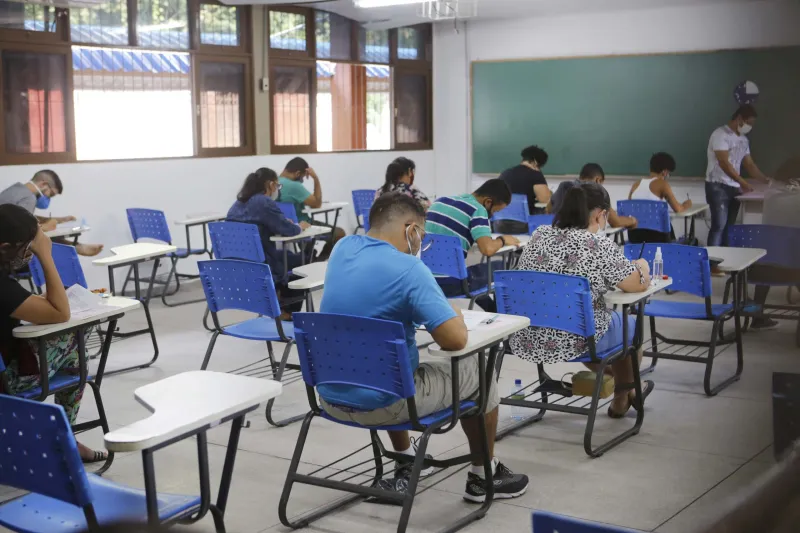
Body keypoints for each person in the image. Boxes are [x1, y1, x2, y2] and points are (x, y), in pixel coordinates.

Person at [319, 192, 529, 503]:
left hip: (330, 396)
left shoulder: (342, 249)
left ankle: (405, 462)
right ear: (411, 229)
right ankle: (483, 476)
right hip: (386, 404)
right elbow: (455, 340)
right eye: (422, 233)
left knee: (393, 363)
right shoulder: (409, 269)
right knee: (479, 370)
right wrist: (452, 310)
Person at [511, 183, 654, 418]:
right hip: (577, 339)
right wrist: (643, 266)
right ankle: (623, 397)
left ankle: (623, 388)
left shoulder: (539, 235)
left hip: (529, 336)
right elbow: (636, 284)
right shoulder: (599, 245)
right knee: (629, 327)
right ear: (599, 214)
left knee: (598, 323)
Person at [0, 204, 107, 463]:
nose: (28, 255)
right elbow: (61, 313)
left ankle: (65, 439)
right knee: (76, 339)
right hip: (7, 384)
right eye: (27, 249)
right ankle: (66, 440)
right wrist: (45, 255)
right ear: (4, 247)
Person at [227, 168, 311, 320]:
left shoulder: (237, 204)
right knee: (301, 261)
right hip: (263, 263)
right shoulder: (263, 201)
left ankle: (279, 300)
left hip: (238, 264)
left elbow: (257, 226)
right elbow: (289, 230)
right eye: (278, 186)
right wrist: (299, 226)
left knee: (289, 257)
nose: (277, 190)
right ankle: (288, 311)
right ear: (270, 184)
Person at [426, 179, 521, 312]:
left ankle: (493, 311)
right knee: (504, 267)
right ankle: (509, 317)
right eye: (495, 211)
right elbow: (487, 249)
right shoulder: (478, 209)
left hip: (425, 279)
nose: (492, 215)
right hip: (453, 283)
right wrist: (503, 240)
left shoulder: (439, 202)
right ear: (488, 202)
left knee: (478, 275)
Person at [705, 105, 770, 250]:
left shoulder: (743, 140)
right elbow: (724, 163)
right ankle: (712, 263)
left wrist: (767, 180)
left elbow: (750, 165)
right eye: (749, 123)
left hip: (734, 188)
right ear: (739, 119)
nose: (750, 126)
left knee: (730, 228)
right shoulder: (720, 135)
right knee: (719, 226)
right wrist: (742, 182)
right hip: (717, 186)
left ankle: (726, 261)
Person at [0, 170, 103, 257]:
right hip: (7, 251)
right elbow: (24, 231)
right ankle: (76, 247)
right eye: (51, 194)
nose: (48, 199)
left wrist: (59, 220)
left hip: (5, 241)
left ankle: (76, 247)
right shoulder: (29, 198)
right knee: (42, 239)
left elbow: (21, 217)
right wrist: (47, 226)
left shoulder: (16, 189)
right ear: (43, 184)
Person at [278, 157, 345, 260]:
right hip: (302, 224)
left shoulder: (275, 183)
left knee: (310, 249)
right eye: (303, 177)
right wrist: (316, 178)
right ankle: (320, 261)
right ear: (297, 173)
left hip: (283, 225)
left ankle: (310, 258)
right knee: (339, 233)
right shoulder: (294, 186)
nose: (302, 181)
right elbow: (317, 204)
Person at [548, 163, 638, 231]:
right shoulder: (596, 193)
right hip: (583, 241)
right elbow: (615, 222)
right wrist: (632, 220)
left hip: (556, 234)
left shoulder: (563, 186)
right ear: (597, 180)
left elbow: (548, 209)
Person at [626, 152, 691, 243]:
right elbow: (678, 209)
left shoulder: (636, 185)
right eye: (668, 173)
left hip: (635, 235)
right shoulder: (662, 184)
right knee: (667, 224)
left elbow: (629, 209)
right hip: (657, 236)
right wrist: (686, 204)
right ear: (664, 172)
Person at [497, 145, 552, 233]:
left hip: (499, 223)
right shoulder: (535, 175)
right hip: (523, 225)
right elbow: (546, 199)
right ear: (535, 162)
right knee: (549, 210)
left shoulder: (505, 173)